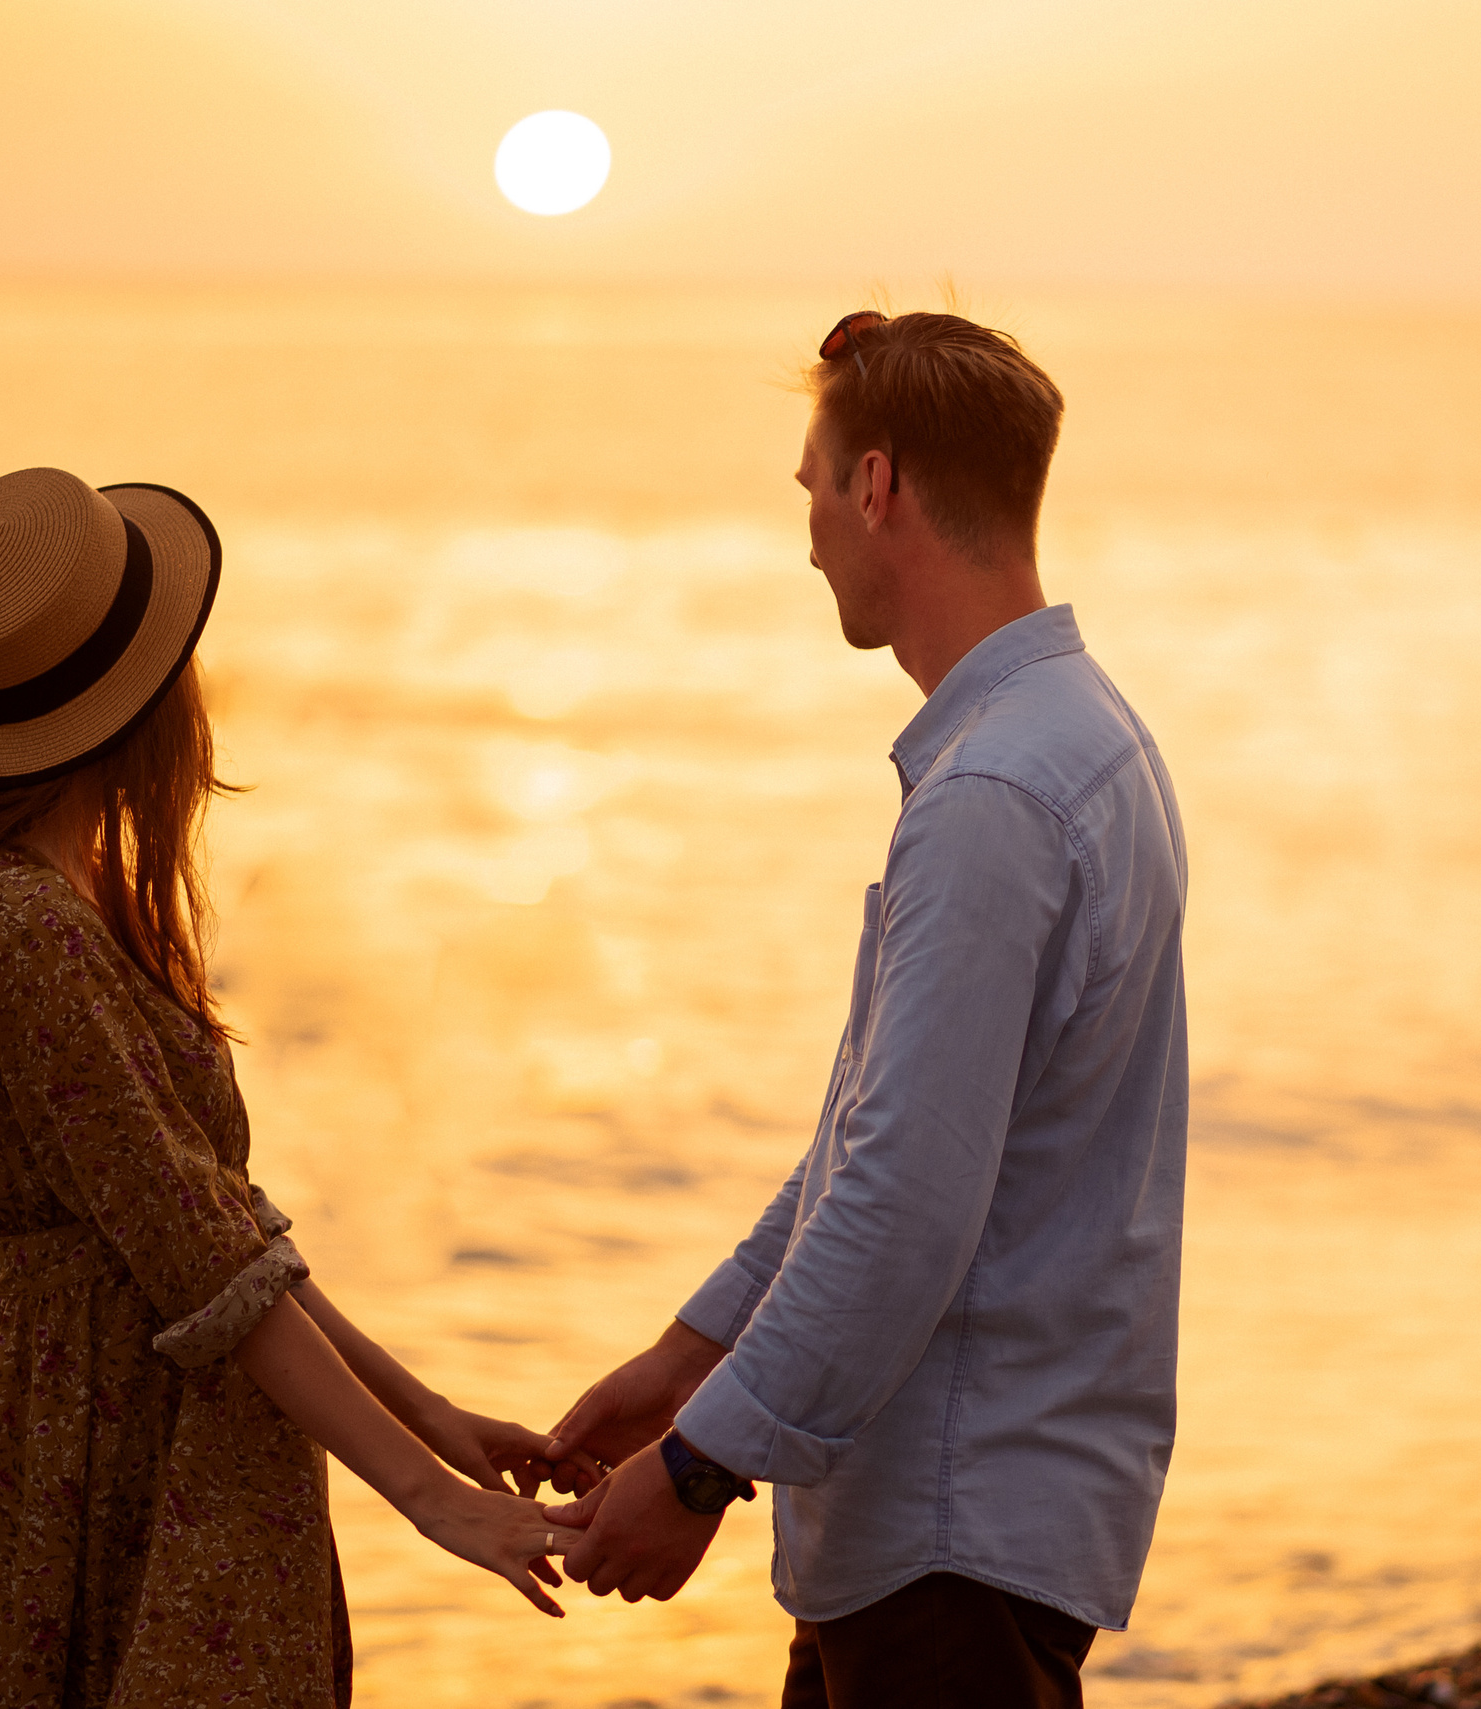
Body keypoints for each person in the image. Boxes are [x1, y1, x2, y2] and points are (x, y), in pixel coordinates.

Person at [0, 468, 590, 1707]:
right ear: (140, 696)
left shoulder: (64, 900)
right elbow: (196, 1255)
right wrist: (431, 1500)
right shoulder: (20, 925)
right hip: (90, 1460)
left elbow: (225, 1231)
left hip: (140, 1433)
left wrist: (430, 1416)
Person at [541, 312, 1191, 1708]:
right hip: (957, 1512)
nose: (811, 535)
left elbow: (904, 1196)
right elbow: (878, 1140)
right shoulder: (1084, 737)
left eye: (815, 489)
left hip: (949, 1521)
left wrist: (701, 1465)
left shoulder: (990, 799)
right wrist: (683, 1364)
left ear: (879, 485)